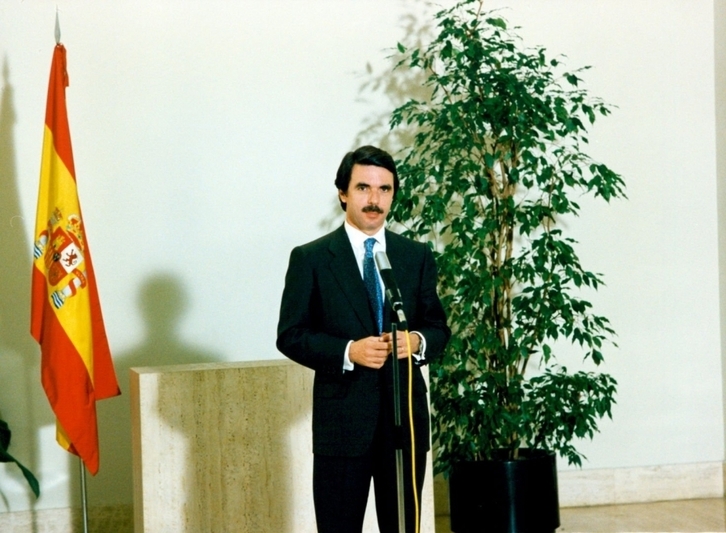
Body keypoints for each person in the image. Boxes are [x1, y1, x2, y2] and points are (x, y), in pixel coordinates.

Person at [276, 145, 450, 533]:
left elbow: (438, 329)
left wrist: (417, 342)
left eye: (384, 189)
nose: (374, 199)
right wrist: (348, 351)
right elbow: (291, 335)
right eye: (363, 188)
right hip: (342, 424)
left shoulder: (415, 255)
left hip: (405, 423)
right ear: (343, 193)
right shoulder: (312, 259)